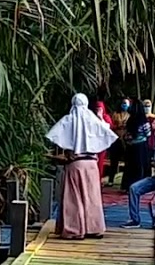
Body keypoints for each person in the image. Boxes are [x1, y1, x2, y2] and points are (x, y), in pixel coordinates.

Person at [46, 93, 118, 239]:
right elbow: (108, 132)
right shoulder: (93, 120)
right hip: (92, 164)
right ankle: (94, 228)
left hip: (75, 164)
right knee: (92, 196)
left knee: (73, 198)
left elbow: (54, 135)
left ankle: (75, 230)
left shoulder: (68, 120)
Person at [121, 99, 153, 189]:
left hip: (130, 147)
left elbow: (126, 134)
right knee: (140, 167)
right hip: (141, 147)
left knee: (129, 167)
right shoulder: (144, 121)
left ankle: (127, 186)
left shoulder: (130, 121)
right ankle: (139, 186)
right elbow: (148, 134)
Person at [88, 86, 113, 181]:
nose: (98, 110)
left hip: (102, 145)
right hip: (92, 144)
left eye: (100, 108)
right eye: (97, 108)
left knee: (100, 163)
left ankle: (98, 179)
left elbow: (109, 127)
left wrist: (101, 118)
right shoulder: (91, 117)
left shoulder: (106, 117)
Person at [106, 97, 131, 187]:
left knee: (127, 161)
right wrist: (118, 126)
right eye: (123, 103)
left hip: (126, 140)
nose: (124, 105)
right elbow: (111, 125)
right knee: (114, 161)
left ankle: (125, 181)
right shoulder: (115, 114)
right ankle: (111, 180)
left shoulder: (130, 115)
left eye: (126, 103)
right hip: (116, 139)